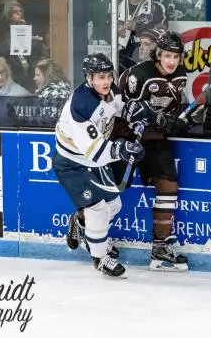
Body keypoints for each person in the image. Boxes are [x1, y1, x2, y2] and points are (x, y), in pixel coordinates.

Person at [54, 53, 159, 277]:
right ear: (89, 78)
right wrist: (122, 148)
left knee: (114, 206)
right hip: (72, 163)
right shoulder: (81, 106)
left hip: (92, 159)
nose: (106, 81)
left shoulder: (110, 91)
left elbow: (120, 109)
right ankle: (99, 258)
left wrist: (140, 111)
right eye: (100, 77)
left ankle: (81, 223)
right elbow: (98, 154)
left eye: (108, 76)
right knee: (98, 211)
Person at [114, 31, 190, 272]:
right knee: (111, 188)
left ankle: (161, 244)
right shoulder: (140, 74)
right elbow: (128, 110)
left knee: (168, 184)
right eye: (167, 55)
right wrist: (160, 119)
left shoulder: (180, 76)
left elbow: (174, 108)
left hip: (153, 138)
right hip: (124, 136)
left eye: (175, 57)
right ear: (158, 54)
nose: (171, 61)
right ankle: (85, 226)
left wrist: (177, 119)